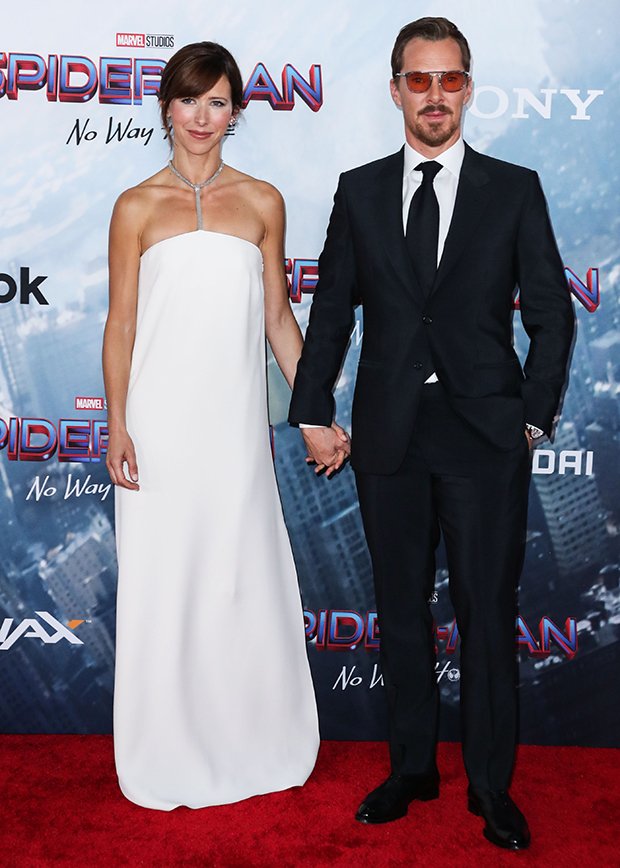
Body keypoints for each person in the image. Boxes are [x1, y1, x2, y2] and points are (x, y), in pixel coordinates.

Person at [289, 17, 574, 850]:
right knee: (401, 613)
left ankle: (491, 787)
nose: (436, 95)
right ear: (396, 90)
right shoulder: (360, 189)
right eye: (421, 80)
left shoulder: (513, 189)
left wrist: (532, 416)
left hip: (486, 435)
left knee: (488, 615)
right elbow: (332, 311)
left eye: (450, 79)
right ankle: (411, 768)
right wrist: (314, 411)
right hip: (389, 437)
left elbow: (553, 318)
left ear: (469, 89)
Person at [103, 41, 347, 810]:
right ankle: (165, 746)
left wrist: (314, 415)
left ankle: (255, 739)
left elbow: (278, 318)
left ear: (235, 111)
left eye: (218, 102)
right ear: (166, 106)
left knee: (241, 578)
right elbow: (121, 327)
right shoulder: (135, 206)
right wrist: (116, 426)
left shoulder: (263, 201)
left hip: (232, 429)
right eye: (189, 99)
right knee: (166, 580)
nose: (202, 116)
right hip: (158, 425)